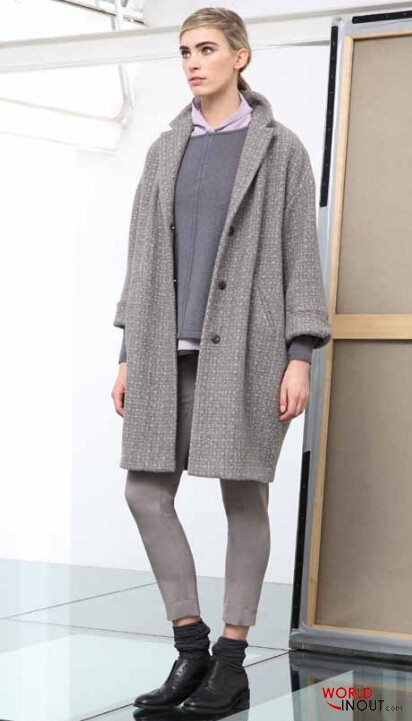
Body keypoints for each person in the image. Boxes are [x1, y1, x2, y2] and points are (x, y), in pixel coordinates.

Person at [111, 7, 331, 717]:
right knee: (145, 491)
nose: (193, 63)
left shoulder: (281, 149)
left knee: (244, 498)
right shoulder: (165, 147)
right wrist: (126, 352)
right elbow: (143, 256)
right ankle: (192, 648)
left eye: (206, 49)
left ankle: (231, 665)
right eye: (184, 52)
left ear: (240, 56)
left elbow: (302, 256)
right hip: (161, 350)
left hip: (247, 350)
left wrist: (299, 356)